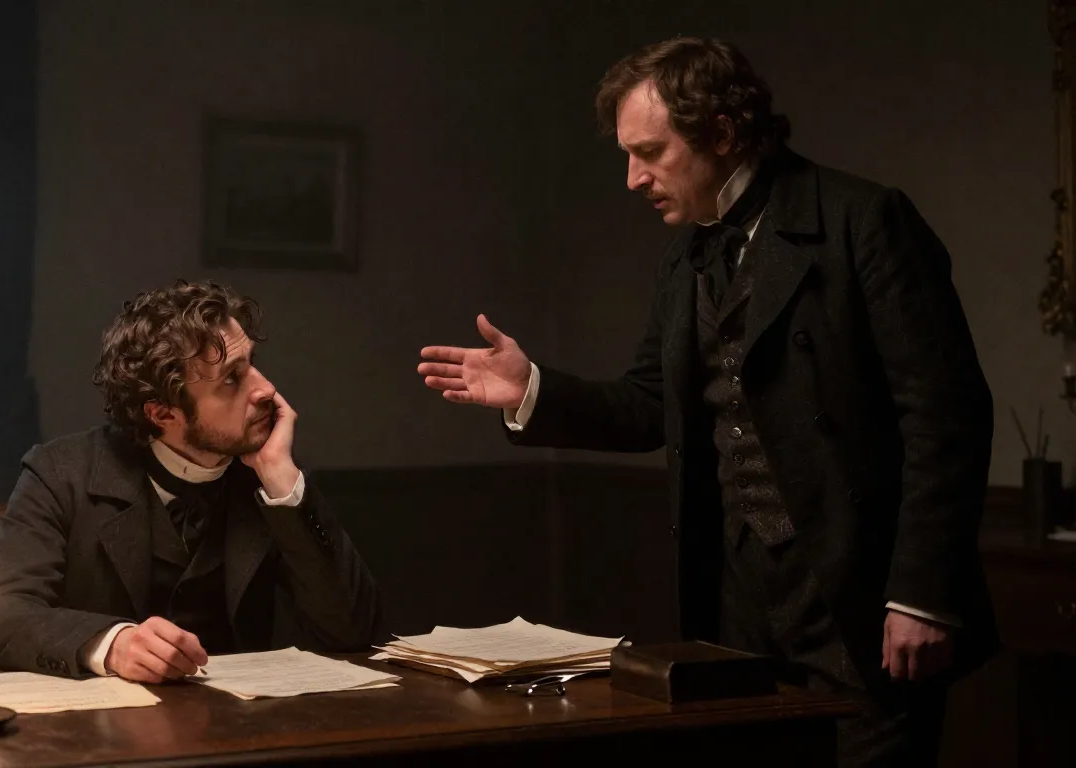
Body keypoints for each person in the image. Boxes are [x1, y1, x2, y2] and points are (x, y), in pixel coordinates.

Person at [417, 37, 995, 767]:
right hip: (738, 606)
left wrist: (920, 596)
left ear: (721, 133)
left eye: (650, 153)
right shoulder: (685, 258)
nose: (633, 178)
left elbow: (945, 417)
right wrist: (531, 388)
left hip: (859, 603)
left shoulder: (863, 220)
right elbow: (646, 405)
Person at [0, 279, 381, 683]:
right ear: (163, 414)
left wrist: (283, 482)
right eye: (231, 379)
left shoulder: (267, 476)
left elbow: (353, 631)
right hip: (102, 718)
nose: (265, 389)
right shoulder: (61, 472)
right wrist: (111, 644)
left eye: (252, 364)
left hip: (242, 716)